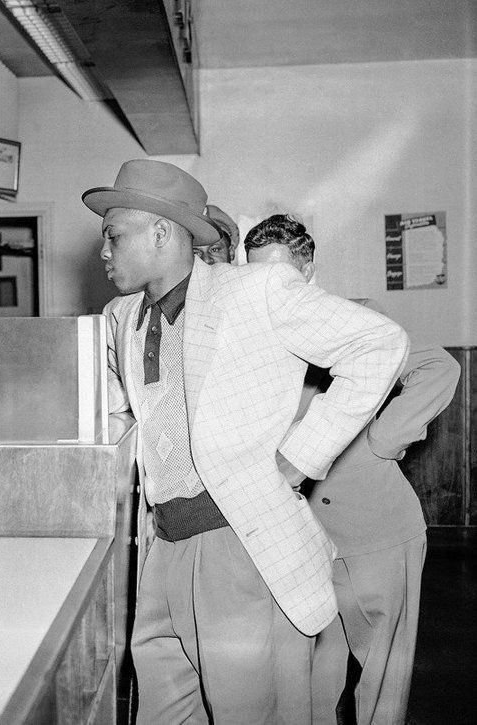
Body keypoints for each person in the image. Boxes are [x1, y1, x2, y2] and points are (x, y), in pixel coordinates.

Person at [83, 159, 409, 724]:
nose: (104, 252)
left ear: (162, 231)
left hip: (240, 547)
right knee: (163, 711)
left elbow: (380, 344)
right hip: (162, 550)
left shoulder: (255, 292)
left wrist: (301, 456)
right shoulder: (125, 317)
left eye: (114, 236)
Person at [245, 214, 460, 724]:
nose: (269, 290)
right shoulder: (253, 339)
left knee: (384, 676)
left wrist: (381, 439)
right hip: (305, 537)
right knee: (315, 671)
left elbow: (439, 367)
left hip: (378, 530)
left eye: (281, 277)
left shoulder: (357, 317)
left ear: (309, 270)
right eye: (256, 277)